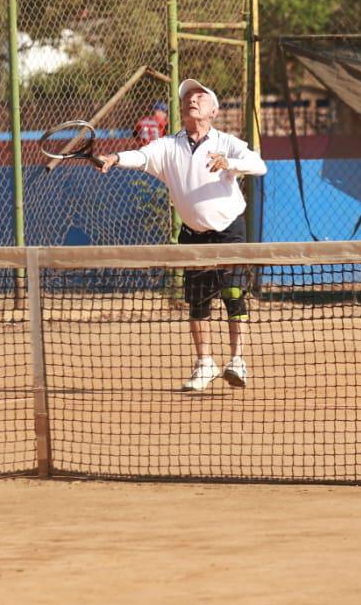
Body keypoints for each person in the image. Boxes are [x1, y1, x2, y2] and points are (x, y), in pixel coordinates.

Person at [95, 79, 267, 392]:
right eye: (187, 96)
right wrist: (115, 158)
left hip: (230, 229)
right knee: (197, 302)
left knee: (232, 293)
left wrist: (231, 163)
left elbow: (259, 165)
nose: (192, 99)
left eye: (200, 96)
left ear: (213, 110)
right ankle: (205, 364)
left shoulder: (226, 142)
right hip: (192, 235)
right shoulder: (168, 146)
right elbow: (142, 156)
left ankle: (237, 361)